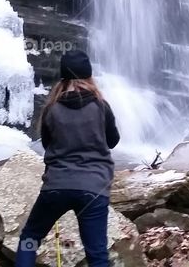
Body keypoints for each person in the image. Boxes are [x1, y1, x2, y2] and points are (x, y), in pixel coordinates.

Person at [15, 49, 120, 267]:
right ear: (89, 76)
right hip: (94, 189)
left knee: (29, 239)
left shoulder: (52, 109)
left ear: (63, 77)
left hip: (56, 187)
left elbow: (47, 145)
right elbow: (112, 141)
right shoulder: (101, 106)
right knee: (97, 254)